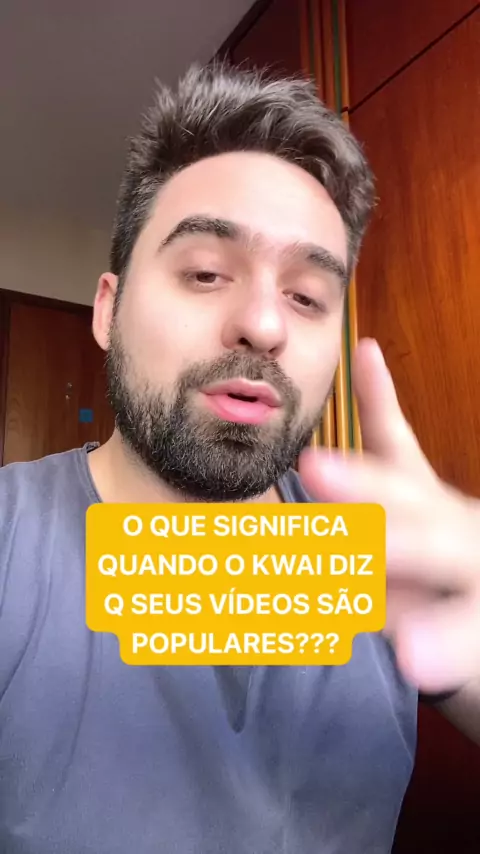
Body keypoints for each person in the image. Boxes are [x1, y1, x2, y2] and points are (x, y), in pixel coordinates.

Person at [0, 62, 478, 854]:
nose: (264, 323)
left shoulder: (379, 559)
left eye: (306, 296)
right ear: (109, 309)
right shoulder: (13, 541)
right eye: (206, 273)